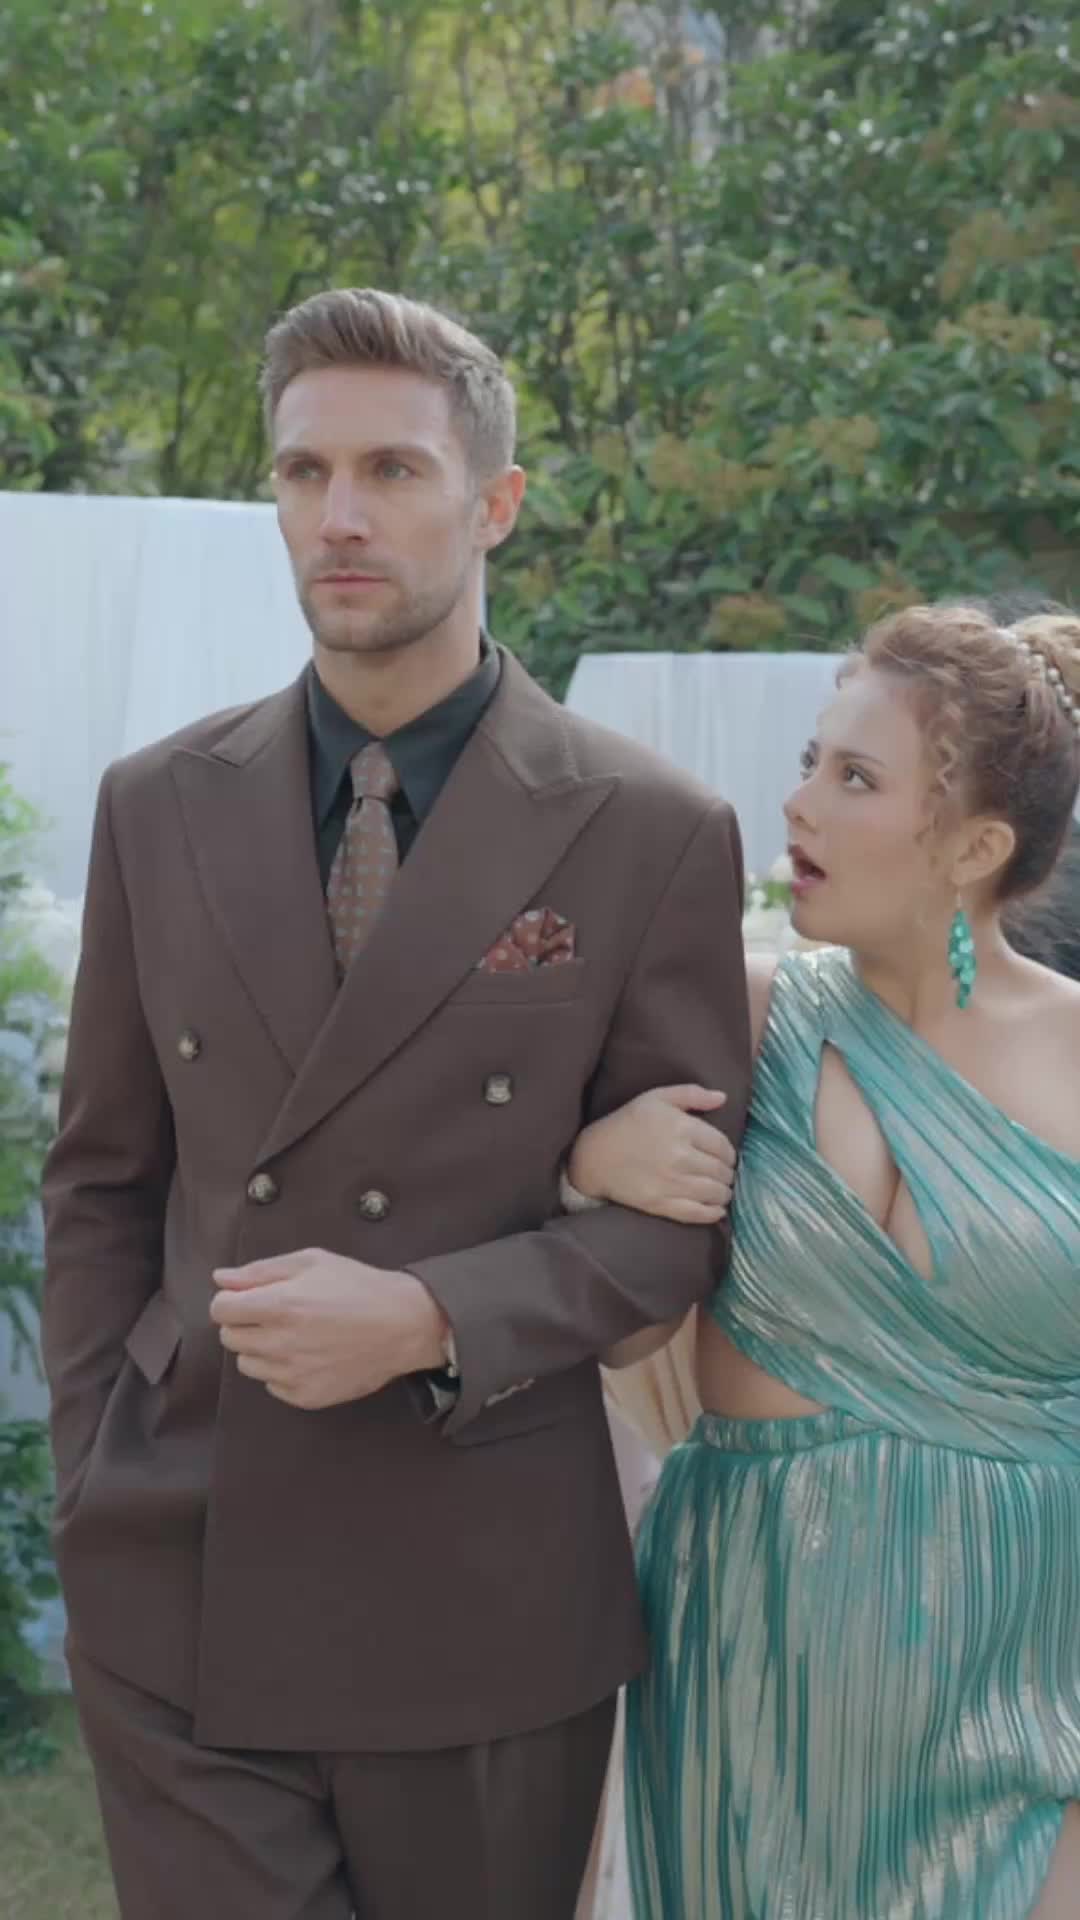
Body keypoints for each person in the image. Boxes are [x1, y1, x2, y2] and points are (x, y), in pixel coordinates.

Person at [40, 288, 751, 1920]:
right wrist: (95, 1465)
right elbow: (101, 1181)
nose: (338, 517)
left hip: (481, 1591)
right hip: (183, 1558)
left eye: (391, 471)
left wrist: (433, 1315)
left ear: (495, 502)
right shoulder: (158, 804)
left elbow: (677, 1233)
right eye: (303, 473)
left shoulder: (647, 827)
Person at [571, 602, 1080, 1917]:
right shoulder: (737, 1022)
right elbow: (628, 1338)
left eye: (855, 777)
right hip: (741, 1657)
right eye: (811, 762)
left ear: (974, 847)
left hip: (1015, 1691)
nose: (796, 803)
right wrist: (593, 1172)